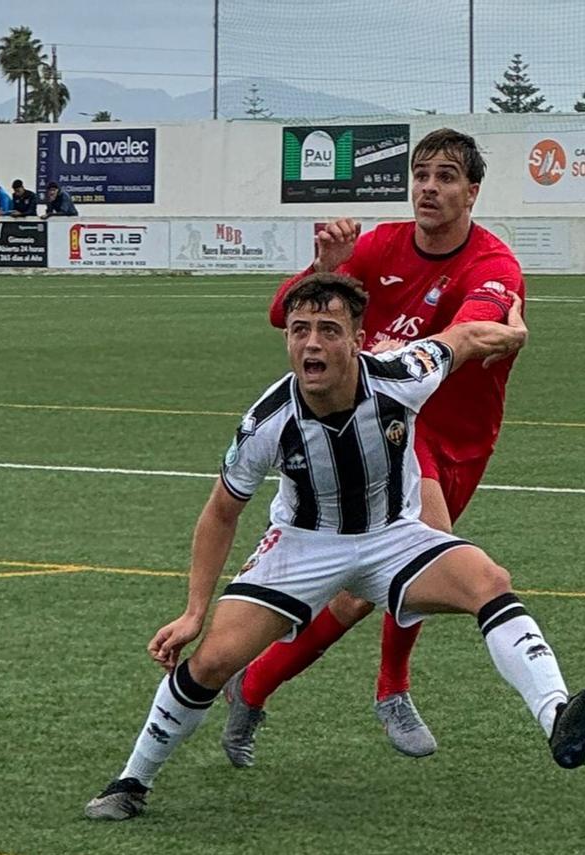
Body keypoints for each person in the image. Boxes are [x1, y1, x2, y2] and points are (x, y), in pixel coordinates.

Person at [84, 274, 585, 822]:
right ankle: (131, 781)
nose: (311, 343)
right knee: (216, 660)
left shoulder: (401, 376)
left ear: (358, 340)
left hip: (393, 536)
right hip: (302, 546)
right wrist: (194, 611)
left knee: (489, 580)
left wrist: (512, 337)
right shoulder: (266, 421)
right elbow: (221, 510)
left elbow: (461, 340)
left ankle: (559, 716)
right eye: (299, 330)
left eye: (328, 330)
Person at [222, 127, 528, 764]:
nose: (429, 188)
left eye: (446, 177)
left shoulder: (494, 264)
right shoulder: (379, 244)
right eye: (421, 175)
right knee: (433, 560)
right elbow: (285, 313)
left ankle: (252, 684)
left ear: (472, 192)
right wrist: (325, 270)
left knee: (362, 593)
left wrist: (410, 353)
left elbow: (475, 324)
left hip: (465, 440)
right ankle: (392, 689)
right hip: (390, 433)